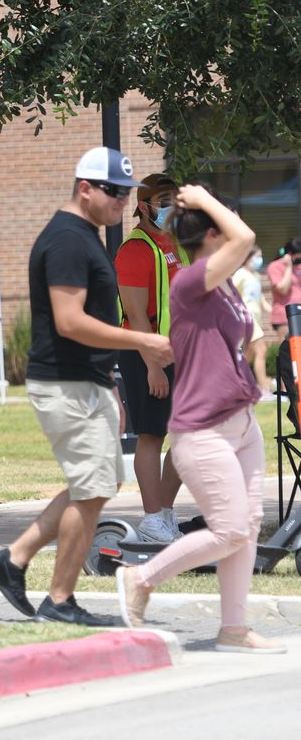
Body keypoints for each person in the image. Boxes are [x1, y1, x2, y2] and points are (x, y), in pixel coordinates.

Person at [0, 147, 173, 626]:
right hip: (64, 383)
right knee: (90, 492)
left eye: (127, 193)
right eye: (114, 191)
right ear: (85, 187)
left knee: (97, 484)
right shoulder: (67, 240)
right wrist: (143, 341)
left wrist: (106, 379)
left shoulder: (84, 234)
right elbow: (70, 321)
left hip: (85, 381)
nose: (122, 202)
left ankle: (14, 559)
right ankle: (60, 599)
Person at [115, 185, 286, 654]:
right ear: (213, 234)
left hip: (240, 422)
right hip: (202, 428)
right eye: (223, 224)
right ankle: (141, 578)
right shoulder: (190, 282)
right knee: (229, 527)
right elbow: (245, 235)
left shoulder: (224, 286)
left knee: (246, 525)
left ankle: (233, 628)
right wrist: (205, 198)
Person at [114, 172, 187, 543]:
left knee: (189, 435)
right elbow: (137, 314)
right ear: (143, 207)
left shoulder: (174, 242)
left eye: (174, 199)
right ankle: (152, 518)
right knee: (151, 435)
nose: (170, 207)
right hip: (146, 353)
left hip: (179, 352)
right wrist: (153, 366)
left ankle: (166, 513)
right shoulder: (135, 250)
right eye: (163, 201)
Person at [232, 246, 273, 394]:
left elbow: (261, 300)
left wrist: (274, 312)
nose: (260, 260)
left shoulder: (256, 275)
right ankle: (263, 388)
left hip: (256, 318)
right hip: (246, 318)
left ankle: (233, 380)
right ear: (248, 257)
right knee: (261, 350)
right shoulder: (240, 274)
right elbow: (230, 293)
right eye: (257, 256)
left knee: (248, 355)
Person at [267, 236, 301, 341]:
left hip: (299, 312)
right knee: (290, 351)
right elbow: (282, 290)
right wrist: (288, 267)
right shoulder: (275, 266)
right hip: (284, 316)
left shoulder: (299, 266)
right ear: (291, 254)